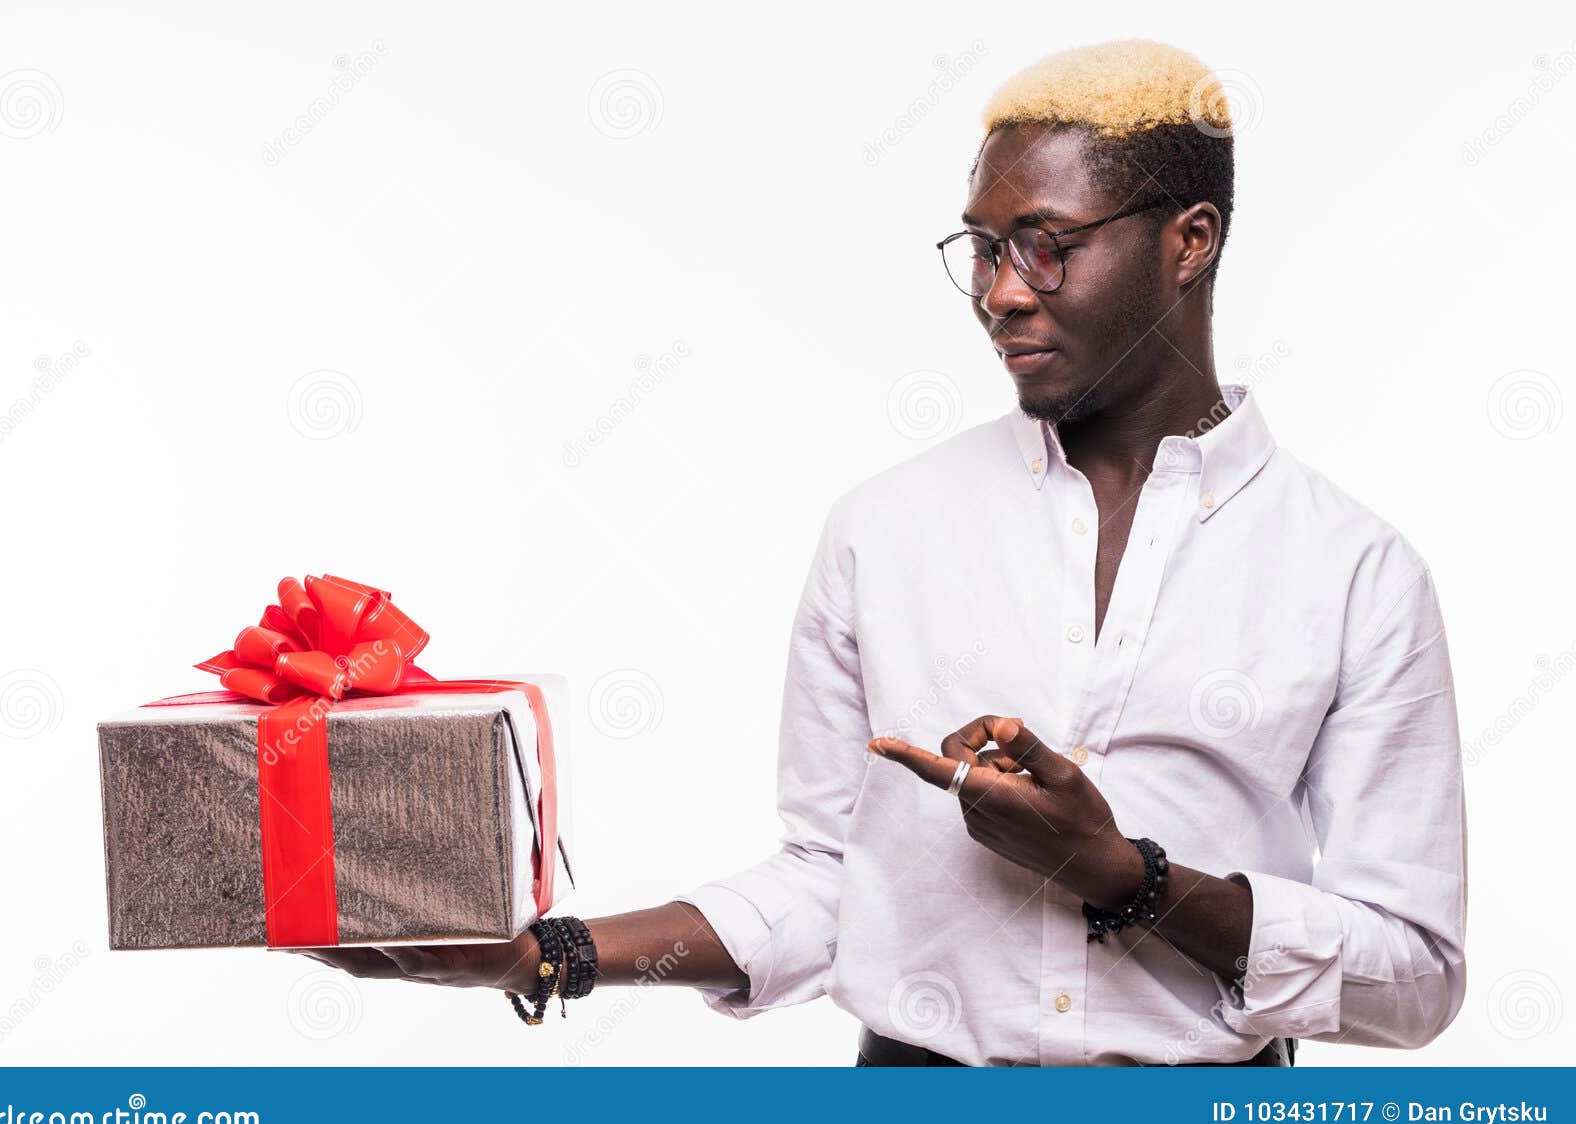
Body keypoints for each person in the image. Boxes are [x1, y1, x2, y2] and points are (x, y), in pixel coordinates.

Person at [302, 38, 1467, 1067]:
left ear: (1188, 241)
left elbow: (1414, 976)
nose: (1001, 294)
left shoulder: (1354, 572)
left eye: (1048, 245)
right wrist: (539, 955)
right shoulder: (886, 526)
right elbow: (827, 879)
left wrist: (1129, 878)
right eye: (983, 246)